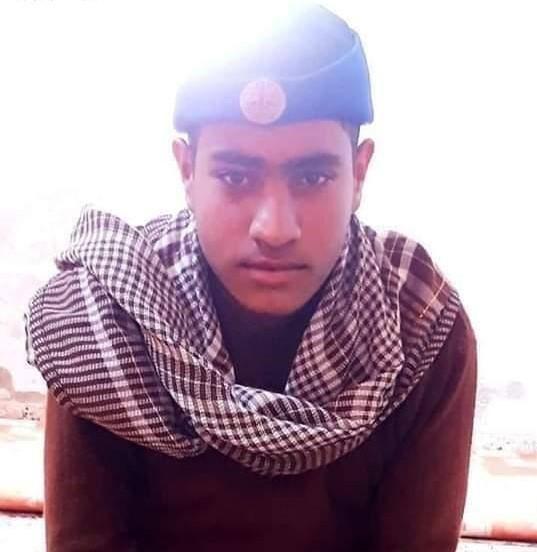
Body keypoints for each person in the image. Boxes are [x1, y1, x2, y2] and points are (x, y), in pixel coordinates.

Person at [25, 4, 477, 551]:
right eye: (236, 177)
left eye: (313, 177)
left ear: (359, 174)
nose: (275, 228)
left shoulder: (418, 324)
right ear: (186, 171)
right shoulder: (103, 318)